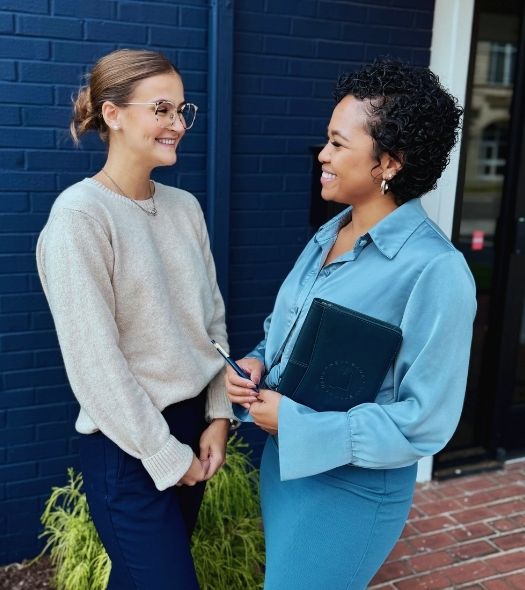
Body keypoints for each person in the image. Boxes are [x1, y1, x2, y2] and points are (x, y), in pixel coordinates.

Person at [226, 58, 477, 589]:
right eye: (327, 140)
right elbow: (285, 328)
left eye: (339, 144)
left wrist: (298, 424)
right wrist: (256, 359)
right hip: (287, 468)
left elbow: (425, 421)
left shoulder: (437, 270)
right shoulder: (328, 233)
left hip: (350, 492)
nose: (323, 154)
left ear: (390, 161)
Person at [36, 49, 235, 590]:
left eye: (182, 111)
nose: (177, 124)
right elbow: (94, 363)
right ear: (114, 114)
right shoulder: (80, 217)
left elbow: (210, 320)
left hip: (192, 430)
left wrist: (217, 415)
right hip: (129, 446)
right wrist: (164, 454)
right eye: (162, 109)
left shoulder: (185, 207)